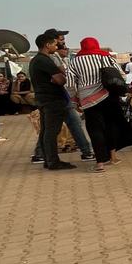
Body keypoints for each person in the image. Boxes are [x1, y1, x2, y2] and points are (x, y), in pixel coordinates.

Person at [66, 37, 132, 171]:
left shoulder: (75, 61)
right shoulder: (105, 57)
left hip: (88, 100)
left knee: (95, 129)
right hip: (109, 96)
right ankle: (113, 157)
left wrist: (75, 100)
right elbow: (122, 75)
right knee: (111, 125)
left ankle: (100, 163)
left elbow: (70, 84)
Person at [40, 29, 93, 163]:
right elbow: (61, 76)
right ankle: (44, 155)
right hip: (57, 98)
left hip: (61, 96)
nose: (63, 41)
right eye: (60, 39)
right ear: (51, 42)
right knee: (52, 129)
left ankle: (86, 151)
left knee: (67, 124)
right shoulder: (50, 57)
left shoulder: (55, 56)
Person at [29, 34, 75, 168]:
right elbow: (61, 80)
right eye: (55, 44)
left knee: (46, 130)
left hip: (43, 99)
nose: (57, 46)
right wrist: (61, 74)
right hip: (52, 100)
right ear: (47, 45)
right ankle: (53, 161)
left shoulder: (35, 60)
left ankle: (48, 160)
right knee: (52, 131)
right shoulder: (44, 60)